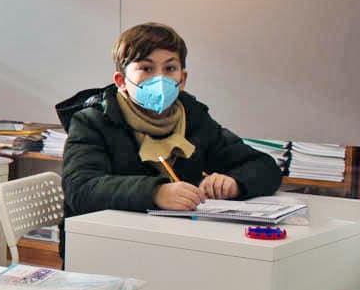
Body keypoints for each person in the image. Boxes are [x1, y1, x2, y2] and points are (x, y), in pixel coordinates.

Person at [59, 22, 284, 217]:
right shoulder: (93, 122)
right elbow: (81, 188)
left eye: (170, 68)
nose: (160, 78)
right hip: (106, 242)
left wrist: (235, 183)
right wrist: (156, 192)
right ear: (121, 81)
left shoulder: (193, 117)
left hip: (178, 238)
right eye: (146, 68)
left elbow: (263, 166)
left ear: (182, 79)